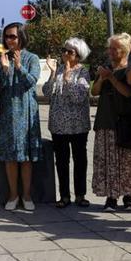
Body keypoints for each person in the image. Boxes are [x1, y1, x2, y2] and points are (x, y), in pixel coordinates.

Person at [91, 33, 131, 211]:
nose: (110, 51)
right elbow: (94, 92)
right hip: (106, 120)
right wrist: (102, 78)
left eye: (114, 48)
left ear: (124, 50)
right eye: (109, 47)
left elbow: (128, 91)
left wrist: (111, 78)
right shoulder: (105, 67)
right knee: (109, 160)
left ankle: (128, 196)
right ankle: (111, 197)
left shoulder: (130, 68)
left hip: (126, 120)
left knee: (127, 160)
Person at [0, 22, 42, 211]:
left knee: (26, 156)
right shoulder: (0, 58)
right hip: (7, 111)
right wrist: (5, 69)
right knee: (10, 156)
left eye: (13, 36)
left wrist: (19, 66)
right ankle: (13, 194)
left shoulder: (32, 58)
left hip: (26, 110)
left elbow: (31, 82)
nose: (9, 40)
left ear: (21, 37)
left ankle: (27, 195)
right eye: (6, 36)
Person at [42, 38, 92, 208]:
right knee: (61, 161)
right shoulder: (59, 69)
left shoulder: (83, 72)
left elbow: (79, 97)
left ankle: (80, 195)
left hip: (78, 125)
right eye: (64, 50)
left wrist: (69, 79)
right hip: (58, 125)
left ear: (78, 55)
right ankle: (64, 195)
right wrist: (53, 73)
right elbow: (47, 92)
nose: (64, 54)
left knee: (80, 160)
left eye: (69, 51)